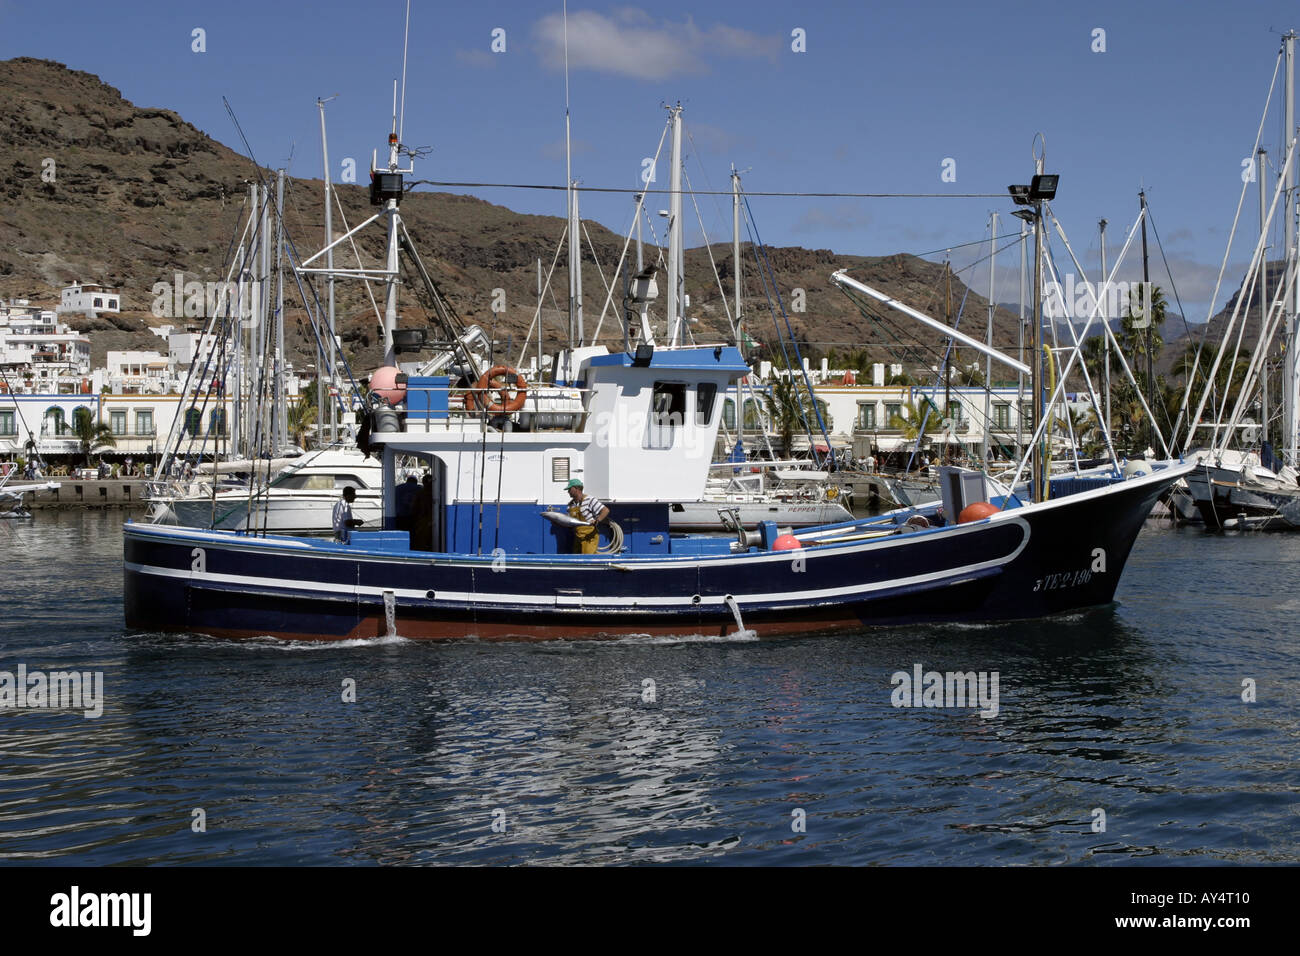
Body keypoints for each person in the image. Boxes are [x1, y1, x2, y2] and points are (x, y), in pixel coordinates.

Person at [565, 478, 609, 555]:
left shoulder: (589, 500)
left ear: (576, 488)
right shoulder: (570, 505)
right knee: (577, 560)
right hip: (577, 537)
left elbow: (605, 510)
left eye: (569, 489)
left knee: (587, 560)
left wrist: (597, 520)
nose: (568, 492)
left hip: (589, 537)